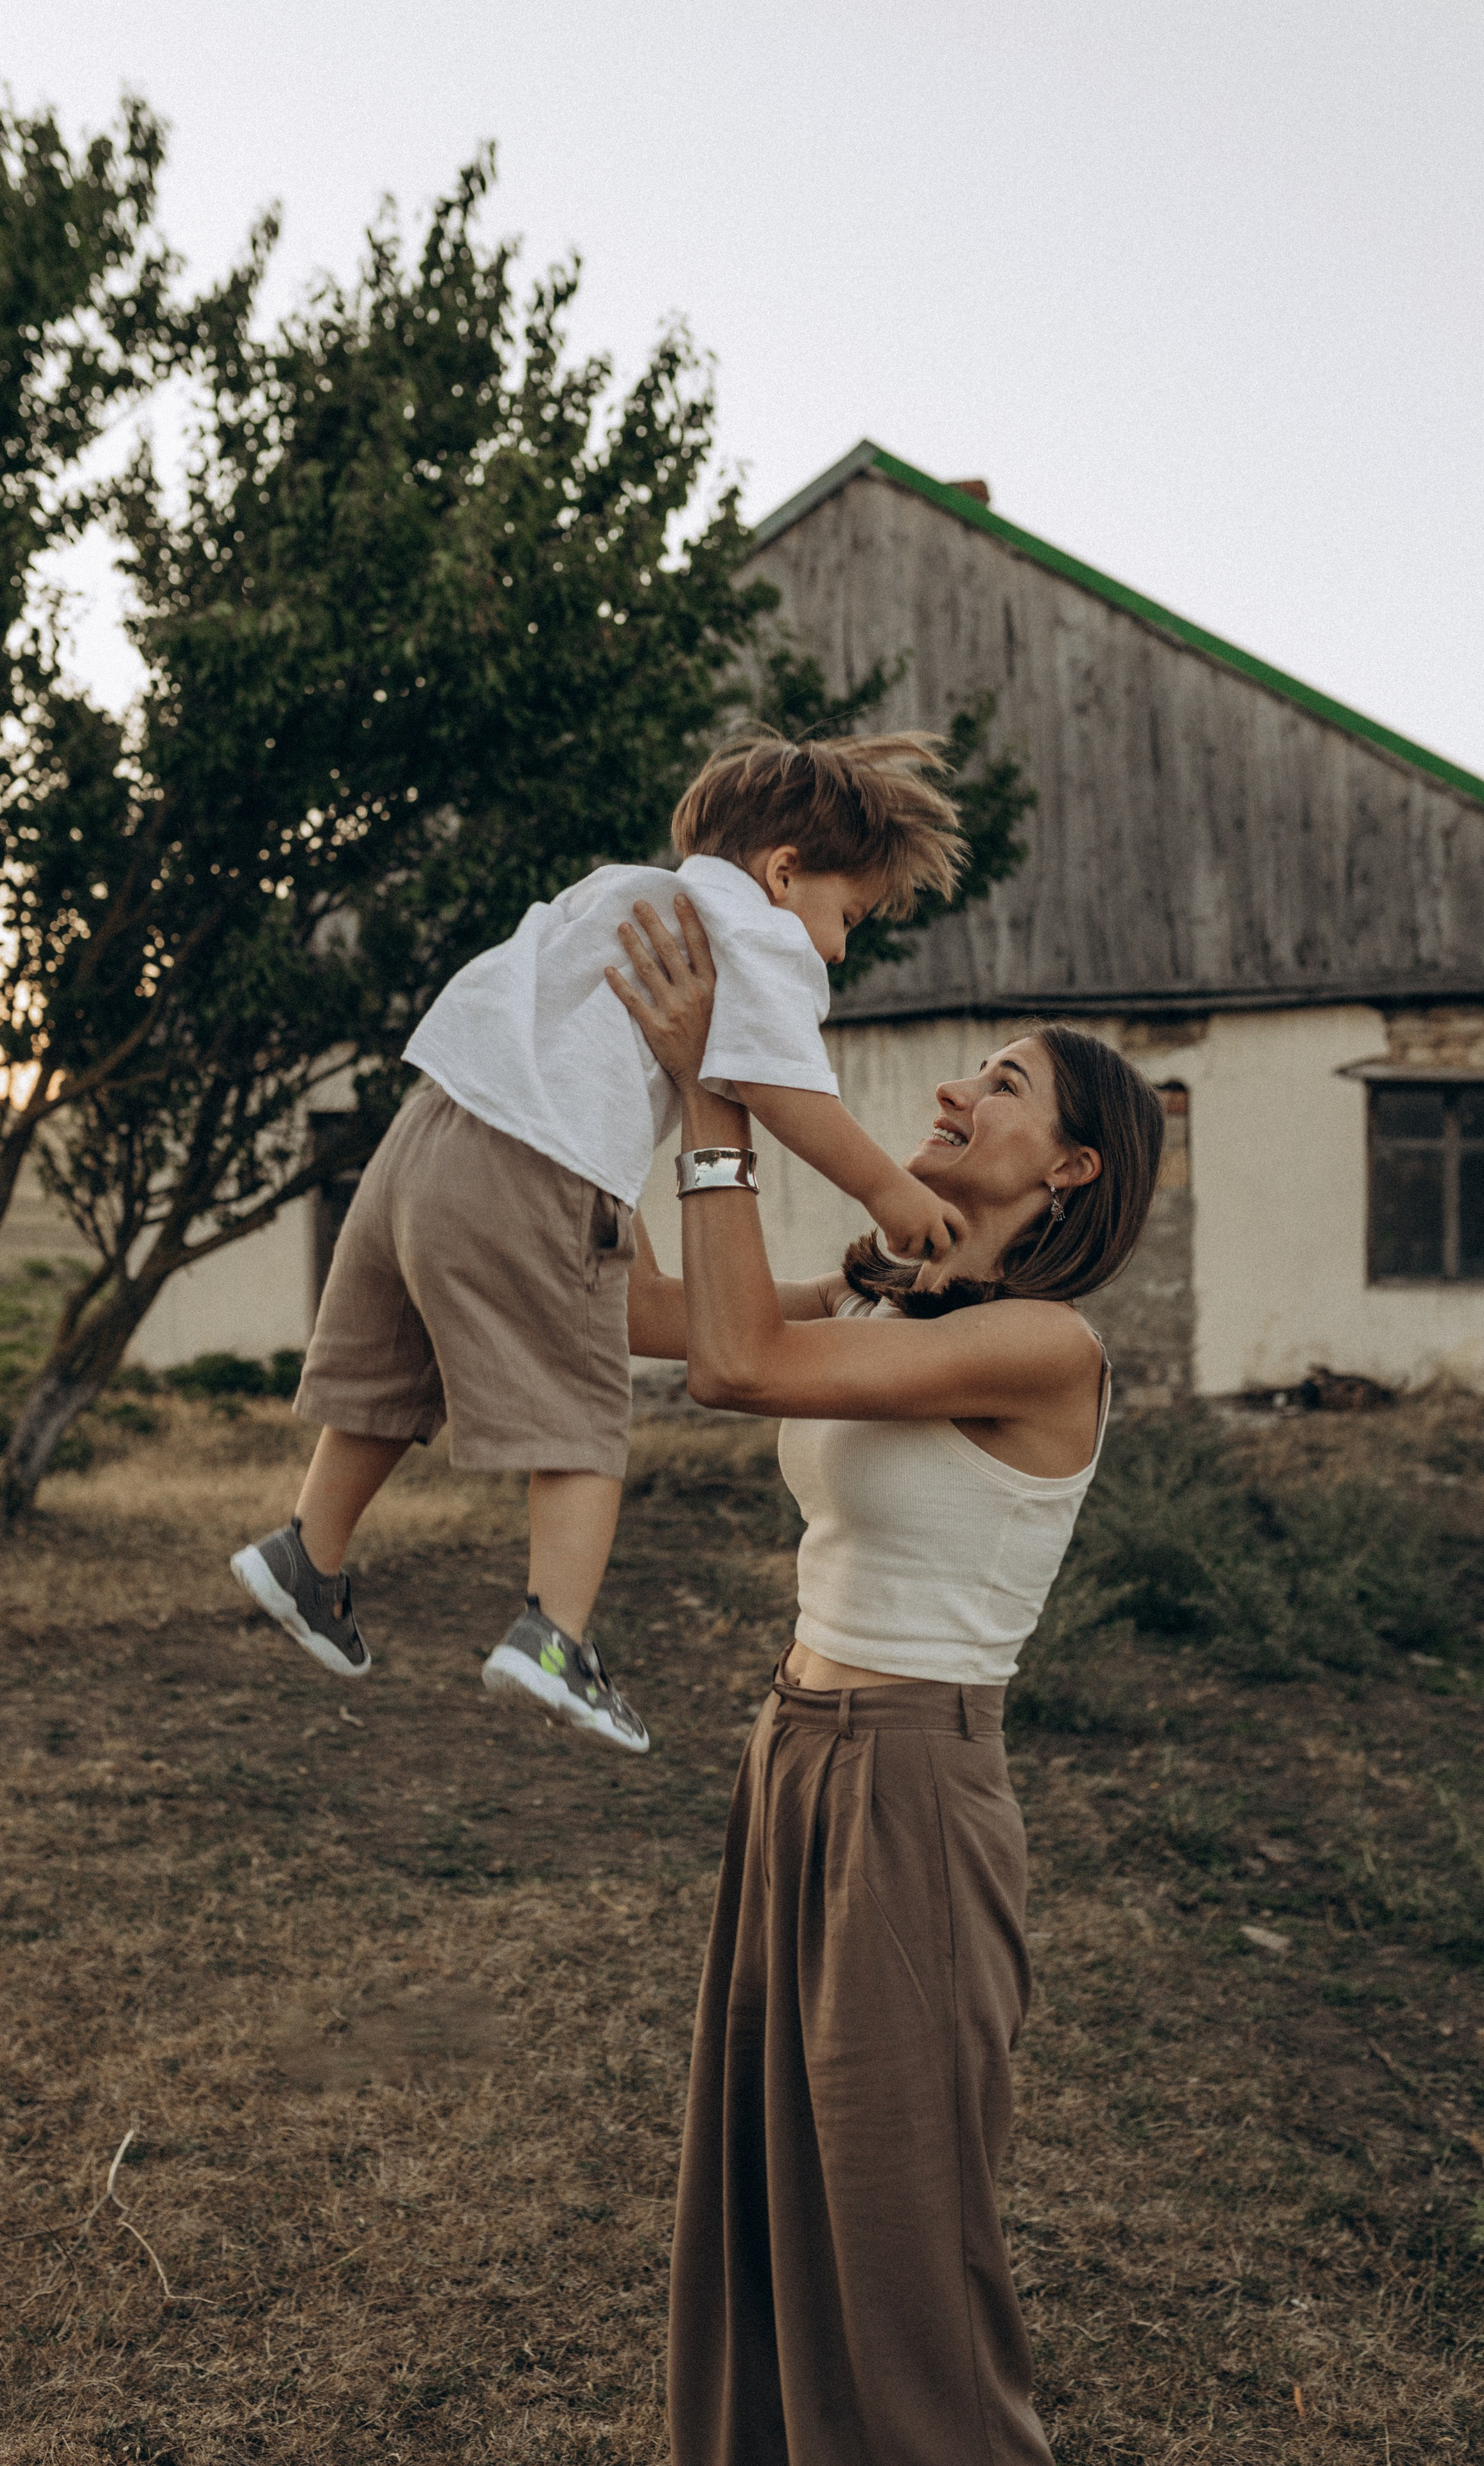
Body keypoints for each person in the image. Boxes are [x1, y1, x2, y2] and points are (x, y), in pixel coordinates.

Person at [609, 891, 1165, 2466]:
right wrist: (617, 1092)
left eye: (998, 1082)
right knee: (770, 2187)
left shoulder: (1044, 1346)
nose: (950, 1091)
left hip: (915, 1783)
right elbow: (658, 1316)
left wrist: (721, 1093)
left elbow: (738, 1368)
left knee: (905, 2234)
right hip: (792, 1755)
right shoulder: (879, 1291)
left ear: (1071, 1168)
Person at [230, 732, 967, 1754]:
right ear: (784, 872)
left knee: (387, 1381)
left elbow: (634, 1305)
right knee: (582, 1421)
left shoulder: (614, 890)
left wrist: (828, 1293)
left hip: (425, 1140)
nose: (838, 948)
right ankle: (555, 1640)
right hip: (542, 1168)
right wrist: (889, 1192)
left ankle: (307, 1553)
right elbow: (782, 1088)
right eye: (848, 917)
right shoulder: (754, 932)